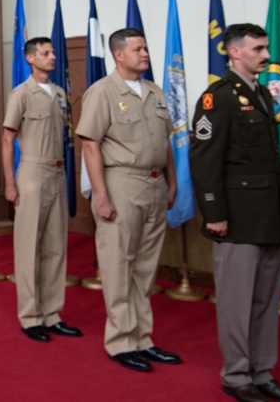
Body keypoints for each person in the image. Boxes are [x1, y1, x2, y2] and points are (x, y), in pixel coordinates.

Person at [188, 23, 280, 402]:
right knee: (238, 303)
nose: (267, 55)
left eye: (266, 48)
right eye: (258, 48)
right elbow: (205, 159)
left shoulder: (262, 95)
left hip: (269, 215)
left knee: (267, 301)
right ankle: (237, 376)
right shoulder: (217, 98)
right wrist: (214, 213)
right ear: (234, 52)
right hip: (236, 219)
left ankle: (263, 372)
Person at [75, 27, 180, 372]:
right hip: (121, 183)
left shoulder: (155, 92)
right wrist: (100, 195)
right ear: (119, 55)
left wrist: (172, 181)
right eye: (138, 49)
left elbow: (165, 142)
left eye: (146, 48)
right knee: (119, 264)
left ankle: (143, 338)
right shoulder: (103, 92)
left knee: (146, 267)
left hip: (154, 184)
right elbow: (90, 144)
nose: (145, 54)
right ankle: (121, 341)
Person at [1, 37, 81, 342]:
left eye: (52, 52)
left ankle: (52, 313)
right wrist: (10, 182)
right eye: (45, 53)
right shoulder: (21, 94)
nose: (52, 57)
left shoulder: (60, 95)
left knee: (56, 246)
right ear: (31, 58)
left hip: (58, 174)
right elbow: (7, 140)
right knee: (28, 248)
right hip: (32, 173)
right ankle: (31, 315)